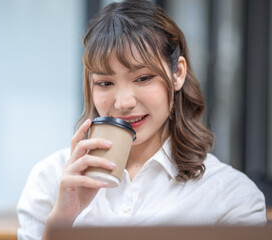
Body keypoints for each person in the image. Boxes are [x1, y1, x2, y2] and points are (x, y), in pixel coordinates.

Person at [17, 1, 266, 239]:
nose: (123, 102)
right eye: (105, 83)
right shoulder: (51, 178)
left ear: (177, 73)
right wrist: (63, 219)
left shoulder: (231, 195)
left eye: (143, 78)